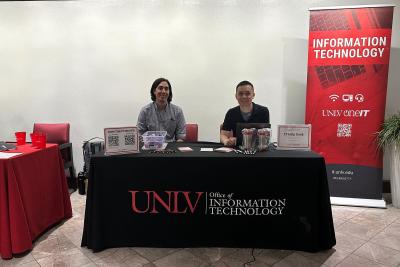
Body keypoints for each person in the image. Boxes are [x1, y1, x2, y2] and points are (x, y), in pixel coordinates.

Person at [220, 80, 269, 147]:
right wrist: (226, 141)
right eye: (240, 94)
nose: (244, 96)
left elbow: (266, 134)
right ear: (236, 96)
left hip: (258, 150)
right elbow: (223, 135)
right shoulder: (231, 113)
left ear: (253, 95)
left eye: (247, 93)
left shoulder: (263, 111)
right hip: (237, 150)